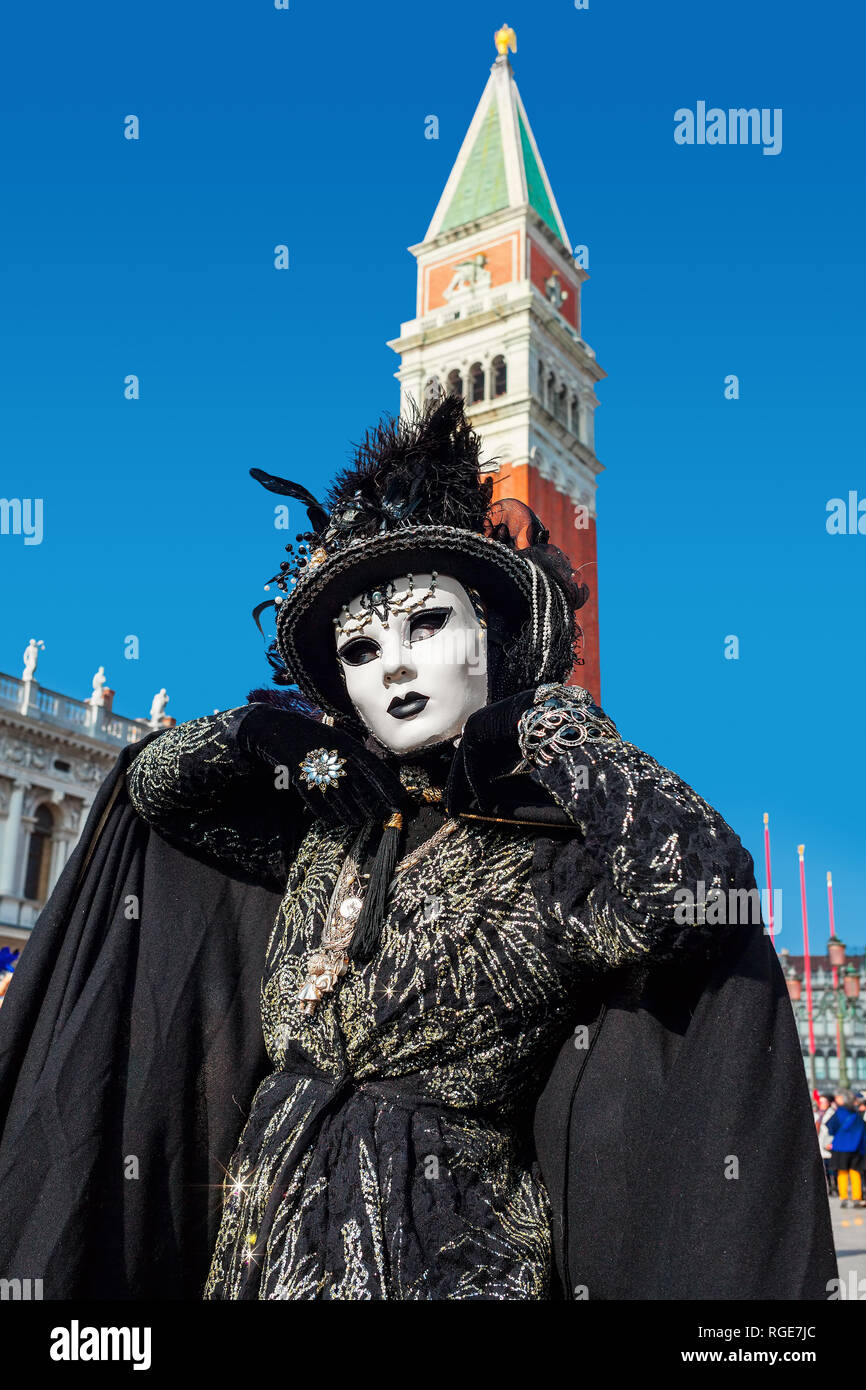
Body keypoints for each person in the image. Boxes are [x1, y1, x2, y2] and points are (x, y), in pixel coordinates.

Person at [0, 396, 836, 1300]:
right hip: (254, 1260)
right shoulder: (328, 837)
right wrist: (251, 736)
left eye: (426, 625)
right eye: (359, 648)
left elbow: (700, 888)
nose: (392, 663)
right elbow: (153, 795)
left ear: (495, 637)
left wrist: (548, 724)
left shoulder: (553, 855)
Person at [826, 1090, 866, 1208]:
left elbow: (830, 1128)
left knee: (842, 1172)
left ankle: (843, 1197)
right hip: (856, 1148)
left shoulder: (839, 1113)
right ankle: (856, 1198)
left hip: (840, 1147)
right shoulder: (856, 1114)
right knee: (855, 1172)